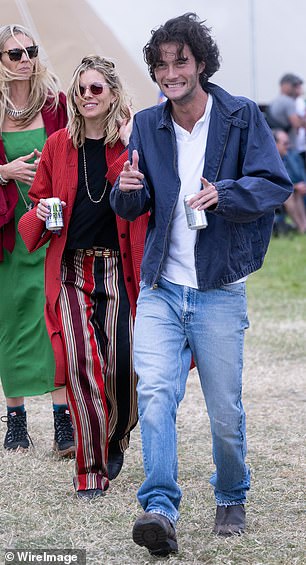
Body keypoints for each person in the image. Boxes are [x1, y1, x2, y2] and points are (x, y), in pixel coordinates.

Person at [110, 13, 293, 557]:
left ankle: (232, 493)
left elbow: (274, 183)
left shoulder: (239, 117)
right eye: (162, 64)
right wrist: (125, 189)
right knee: (156, 393)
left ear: (201, 63)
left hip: (218, 288)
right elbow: (133, 203)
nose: (171, 72)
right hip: (162, 287)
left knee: (223, 409)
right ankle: (159, 507)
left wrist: (226, 193)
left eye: (181, 61)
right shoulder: (146, 124)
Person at [18, 55, 148, 499]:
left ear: (113, 94)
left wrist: (129, 142)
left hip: (117, 269)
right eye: (81, 89)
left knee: (123, 370)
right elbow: (38, 200)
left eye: (96, 89)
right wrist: (42, 213)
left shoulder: (129, 145)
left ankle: (114, 435)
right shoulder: (58, 144)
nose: (87, 96)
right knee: (80, 363)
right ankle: (90, 469)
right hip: (72, 269)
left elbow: (138, 198)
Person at [0, 24, 74, 457]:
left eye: (29, 50)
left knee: (55, 321)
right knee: (12, 324)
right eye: (14, 53)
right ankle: (16, 421)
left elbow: (77, 148)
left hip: (51, 230)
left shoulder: (55, 104)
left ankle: (63, 422)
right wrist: (4, 172)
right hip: (9, 237)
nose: (24, 58)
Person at [273, 128, 306, 233]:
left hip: (290, 190)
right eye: (285, 143)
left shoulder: (289, 157)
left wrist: (298, 186)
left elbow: (298, 176)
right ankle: (301, 228)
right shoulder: (269, 160)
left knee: (295, 193)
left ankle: (303, 227)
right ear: (275, 144)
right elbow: (274, 182)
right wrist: (295, 186)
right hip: (272, 193)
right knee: (289, 195)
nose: (288, 146)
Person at [267, 73, 306, 151]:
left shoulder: (276, 101)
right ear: (284, 85)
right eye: (294, 85)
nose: (297, 88)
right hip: (288, 149)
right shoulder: (288, 102)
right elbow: (297, 124)